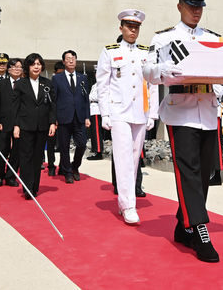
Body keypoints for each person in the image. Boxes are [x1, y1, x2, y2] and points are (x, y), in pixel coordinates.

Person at [143, 0, 223, 262]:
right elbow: (147, 70)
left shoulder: (214, 39)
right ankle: (200, 229)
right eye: (191, 5)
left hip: (207, 112)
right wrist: (161, 71)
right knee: (189, 172)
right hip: (180, 112)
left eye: (200, 6)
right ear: (180, 6)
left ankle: (184, 224)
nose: (196, 10)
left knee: (205, 172)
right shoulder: (164, 38)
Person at [97, 12, 158, 224]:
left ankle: (125, 202)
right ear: (121, 28)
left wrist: (152, 113)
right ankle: (129, 205)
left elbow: (152, 84)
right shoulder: (110, 51)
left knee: (133, 159)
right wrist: (104, 113)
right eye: (129, 26)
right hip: (118, 112)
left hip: (139, 112)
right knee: (122, 158)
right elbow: (102, 86)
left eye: (136, 27)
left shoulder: (145, 53)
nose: (133, 30)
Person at [13, 53, 56, 199]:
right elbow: (16, 107)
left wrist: (52, 122)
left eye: (38, 64)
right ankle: (27, 187)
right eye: (33, 64)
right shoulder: (20, 84)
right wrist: (16, 125)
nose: (36, 67)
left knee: (38, 158)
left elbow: (52, 105)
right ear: (28, 67)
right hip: (25, 125)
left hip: (42, 126)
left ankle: (34, 187)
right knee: (26, 157)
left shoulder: (48, 83)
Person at [51, 50, 91, 183]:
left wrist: (87, 117)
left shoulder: (82, 78)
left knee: (82, 144)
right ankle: (67, 172)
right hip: (63, 117)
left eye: (73, 58)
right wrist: (54, 118)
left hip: (79, 117)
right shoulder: (57, 78)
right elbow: (54, 99)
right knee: (64, 146)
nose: (71, 60)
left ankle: (75, 166)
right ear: (63, 62)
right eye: (68, 58)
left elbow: (86, 99)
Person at [0, 58, 23, 187]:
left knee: (16, 152)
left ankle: (11, 177)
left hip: (20, 123)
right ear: (9, 69)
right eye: (14, 66)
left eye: (19, 67)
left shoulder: (25, 84)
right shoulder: (0, 83)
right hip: (3, 123)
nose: (16, 69)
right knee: (2, 149)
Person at [86, 80, 105, 160]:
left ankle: (99, 151)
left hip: (97, 108)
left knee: (97, 132)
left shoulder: (103, 84)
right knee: (93, 132)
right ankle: (95, 150)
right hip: (92, 108)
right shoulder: (94, 85)